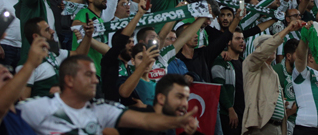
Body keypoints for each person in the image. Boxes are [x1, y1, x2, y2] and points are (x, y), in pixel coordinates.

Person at [18, 55, 200, 134]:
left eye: (94, 75)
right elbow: (2, 116)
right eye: (88, 75)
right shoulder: (38, 107)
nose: (95, 80)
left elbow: (146, 120)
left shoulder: (102, 109)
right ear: (69, 80)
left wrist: (178, 122)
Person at [242, 18, 304, 135]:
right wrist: (287, 30)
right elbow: (266, 49)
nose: (273, 48)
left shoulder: (273, 71)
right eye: (270, 45)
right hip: (261, 127)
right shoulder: (251, 63)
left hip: (277, 127)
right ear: (259, 49)